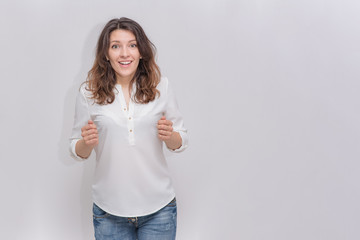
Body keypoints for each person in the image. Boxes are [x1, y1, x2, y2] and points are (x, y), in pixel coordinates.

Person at [69, 17, 188, 240]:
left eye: (132, 45)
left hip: (159, 209)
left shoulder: (161, 86)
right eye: (116, 46)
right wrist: (86, 142)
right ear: (106, 53)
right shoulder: (88, 92)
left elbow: (181, 140)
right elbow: (76, 149)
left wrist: (170, 136)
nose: (125, 53)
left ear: (141, 51)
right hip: (109, 211)